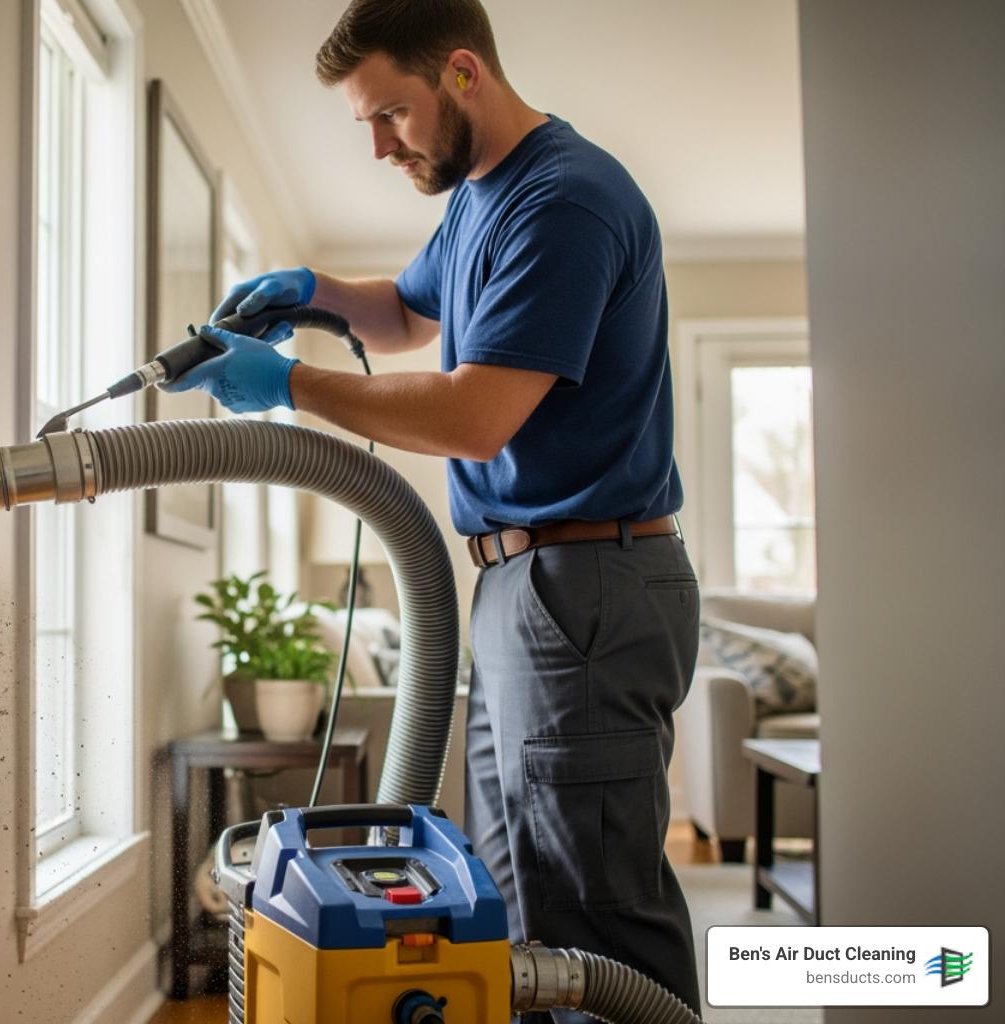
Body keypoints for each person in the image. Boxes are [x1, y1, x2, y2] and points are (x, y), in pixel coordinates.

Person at [164, 0, 702, 1019]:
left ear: (462, 72)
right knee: (523, 904)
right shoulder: (481, 199)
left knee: (596, 919)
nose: (378, 147)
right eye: (365, 123)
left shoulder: (564, 201)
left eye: (391, 114)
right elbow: (408, 313)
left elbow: (475, 416)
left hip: (584, 582)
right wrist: (312, 293)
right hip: (531, 583)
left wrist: (290, 384)